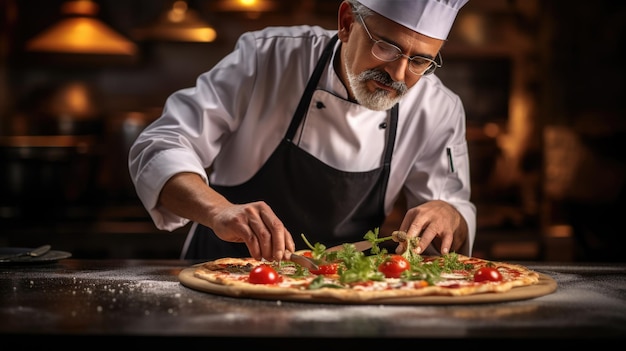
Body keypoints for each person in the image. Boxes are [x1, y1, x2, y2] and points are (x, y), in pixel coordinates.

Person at [128, 0, 476, 262]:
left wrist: (450, 215)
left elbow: (450, 216)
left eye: (420, 61)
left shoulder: (438, 108)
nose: (399, 75)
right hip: (223, 275)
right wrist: (218, 210)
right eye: (386, 47)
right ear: (346, 23)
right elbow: (160, 146)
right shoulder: (268, 59)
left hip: (343, 293)